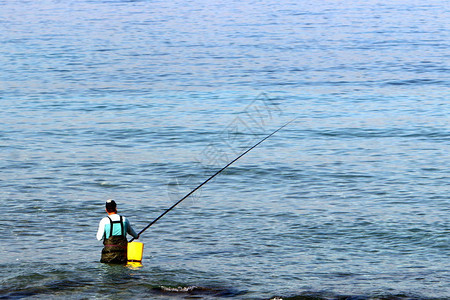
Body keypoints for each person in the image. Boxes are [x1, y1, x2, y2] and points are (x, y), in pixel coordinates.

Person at [96, 199, 139, 264]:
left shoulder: (104, 221)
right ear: (116, 208)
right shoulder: (124, 219)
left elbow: (99, 238)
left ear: (106, 210)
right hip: (122, 255)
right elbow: (135, 235)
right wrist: (137, 236)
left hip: (108, 256)